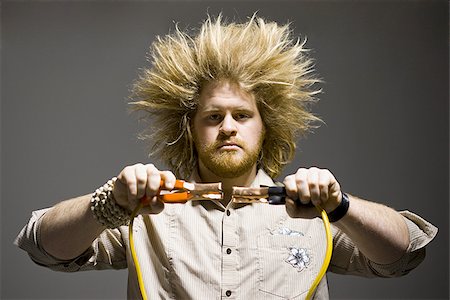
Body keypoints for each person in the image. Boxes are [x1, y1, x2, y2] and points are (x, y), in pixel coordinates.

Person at [15, 14, 437, 299]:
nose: (229, 127)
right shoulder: (145, 211)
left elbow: (403, 256)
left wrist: (340, 206)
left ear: (266, 125)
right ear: (190, 128)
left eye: (242, 115)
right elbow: (43, 246)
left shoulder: (315, 214)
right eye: (213, 116)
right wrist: (111, 203)